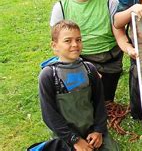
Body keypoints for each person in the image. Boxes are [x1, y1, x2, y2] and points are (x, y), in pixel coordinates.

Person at [50, 0, 134, 104]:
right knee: (82, 105)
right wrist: (80, 67)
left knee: (104, 104)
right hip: (78, 60)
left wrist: (129, 50)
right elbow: (58, 45)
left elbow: (119, 34)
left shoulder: (110, 2)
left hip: (109, 62)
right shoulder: (61, 7)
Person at [38, 20, 119, 150]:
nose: (75, 44)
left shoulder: (89, 69)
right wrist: (74, 140)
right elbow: (49, 115)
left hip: (92, 133)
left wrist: (98, 130)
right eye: (67, 41)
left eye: (79, 39)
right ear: (54, 46)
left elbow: (99, 103)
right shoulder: (48, 75)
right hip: (65, 137)